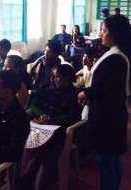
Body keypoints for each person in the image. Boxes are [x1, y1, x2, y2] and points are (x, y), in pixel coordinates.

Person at [78, 15, 131, 190]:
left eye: (105, 30)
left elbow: (102, 88)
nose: (101, 33)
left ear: (115, 34)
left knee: (106, 160)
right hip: (111, 114)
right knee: (111, 159)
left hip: (106, 118)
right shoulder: (115, 54)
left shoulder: (115, 58)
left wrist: (83, 94)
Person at [17, 64, 81, 190]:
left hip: (60, 131)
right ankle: (23, 184)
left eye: (58, 77)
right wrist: (42, 115)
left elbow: (73, 117)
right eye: (54, 77)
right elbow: (34, 105)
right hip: (41, 126)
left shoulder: (75, 94)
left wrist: (50, 121)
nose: (55, 79)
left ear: (67, 78)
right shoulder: (47, 89)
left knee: (46, 154)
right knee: (23, 147)